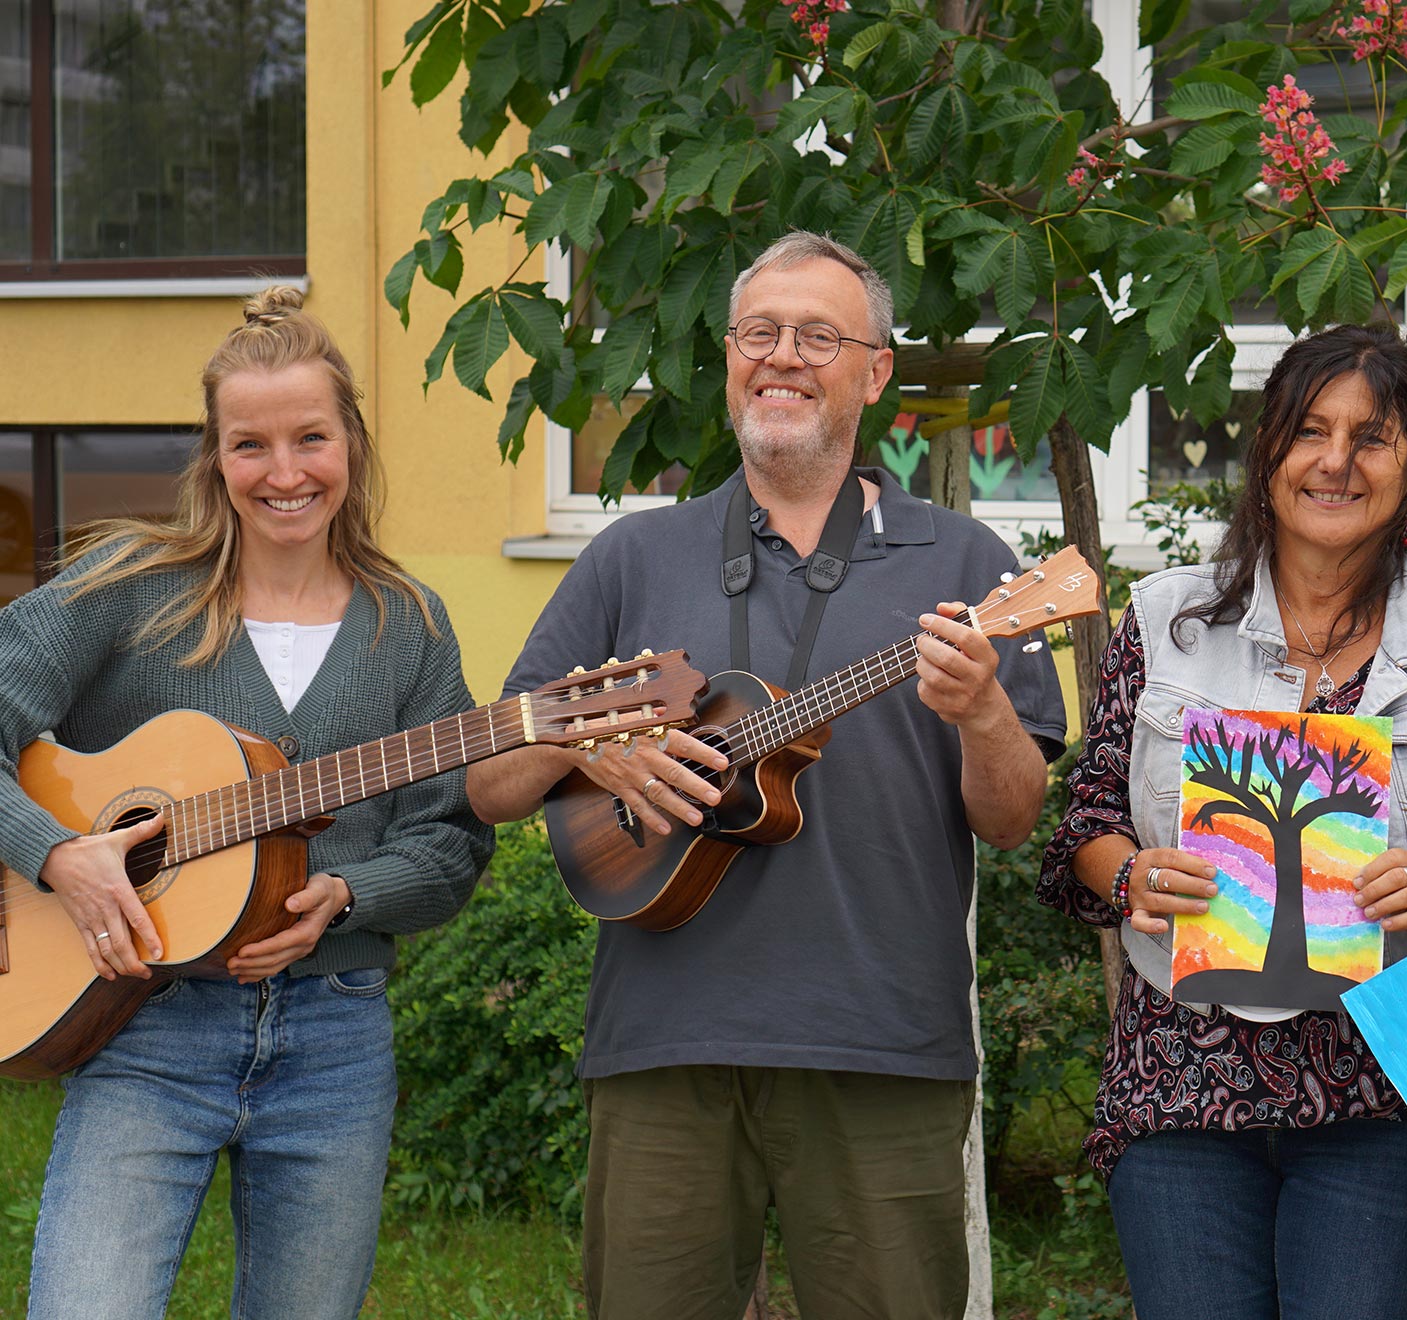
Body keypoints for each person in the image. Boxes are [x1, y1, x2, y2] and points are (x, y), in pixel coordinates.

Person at [466, 230, 1066, 1320]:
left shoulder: (970, 566)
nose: (782, 356)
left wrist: (983, 713)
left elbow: (1014, 818)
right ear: (731, 356)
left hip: (885, 1045)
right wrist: (591, 747)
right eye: (759, 332)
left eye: (819, 336)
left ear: (875, 373)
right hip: (662, 1042)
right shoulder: (632, 555)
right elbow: (490, 786)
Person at [1036, 324, 1407, 1320]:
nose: (1336, 461)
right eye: (1310, 430)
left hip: (1389, 1091)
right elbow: (1088, 818)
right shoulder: (1168, 623)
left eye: (1372, 438)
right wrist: (1133, 877)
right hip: (1181, 1080)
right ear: (1267, 450)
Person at [2, 286, 494, 1319]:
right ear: (213, 458)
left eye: (310, 438)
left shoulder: (408, 624)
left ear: (351, 443)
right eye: (249, 445)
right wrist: (56, 851)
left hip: (335, 1041)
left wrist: (351, 895)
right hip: (142, 1027)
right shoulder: (127, 588)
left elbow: (450, 839)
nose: (284, 473)